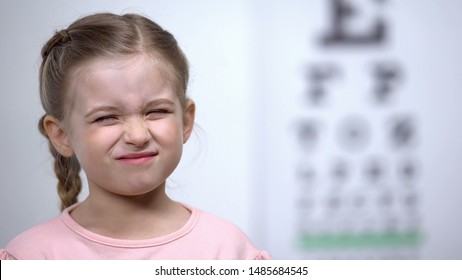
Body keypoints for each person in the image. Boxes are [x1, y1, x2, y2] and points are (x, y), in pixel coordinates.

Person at [0, 12, 269, 260]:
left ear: (185, 121)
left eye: (156, 111)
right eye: (106, 117)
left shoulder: (229, 251)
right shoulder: (30, 257)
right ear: (61, 135)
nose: (138, 135)